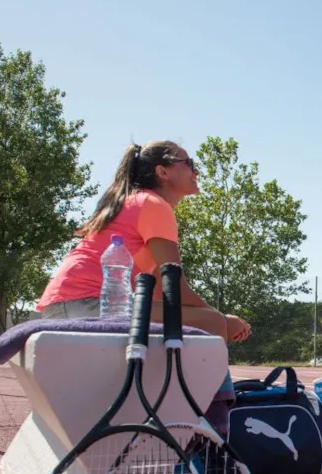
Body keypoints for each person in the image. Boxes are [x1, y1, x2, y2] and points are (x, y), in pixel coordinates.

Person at [37, 140, 251, 343]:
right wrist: (222, 319)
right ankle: (215, 384)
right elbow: (174, 287)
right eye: (189, 163)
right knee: (210, 322)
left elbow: (161, 291)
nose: (197, 171)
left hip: (68, 305)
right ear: (162, 172)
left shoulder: (138, 202)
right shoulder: (153, 204)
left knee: (203, 320)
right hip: (86, 304)